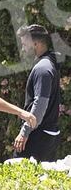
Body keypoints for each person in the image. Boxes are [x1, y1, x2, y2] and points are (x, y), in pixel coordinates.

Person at [13, 24, 60, 161]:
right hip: (47, 134)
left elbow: (40, 104)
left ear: (36, 44)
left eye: (25, 44)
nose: (23, 48)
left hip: (38, 137)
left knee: (20, 177)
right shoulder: (50, 63)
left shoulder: (42, 68)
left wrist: (24, 132)